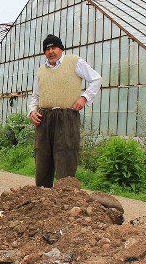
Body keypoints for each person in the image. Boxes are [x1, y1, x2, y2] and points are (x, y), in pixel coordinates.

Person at [28, 34, 102, 188]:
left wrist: (84, 98)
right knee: (42, 158)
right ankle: (42, 197)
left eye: (54, 47)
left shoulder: (74, 62)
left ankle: (66, 198)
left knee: (66, 155)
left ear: (61, 49)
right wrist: (32, 112)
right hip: (44, 117)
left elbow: (96, 79)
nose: (51, 51)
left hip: (66, 116)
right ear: (44, 52)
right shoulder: (41, 71)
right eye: (47, 49)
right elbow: (35, 96)